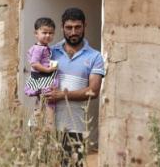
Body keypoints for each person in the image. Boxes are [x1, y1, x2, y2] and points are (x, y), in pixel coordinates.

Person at [44, 8, 105, 166]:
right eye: (69, 28)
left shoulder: (95, 56)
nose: (73, 32)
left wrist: (62, 95)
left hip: (76, 127)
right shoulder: (50, 52)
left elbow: (93, 91)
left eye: (77, 27)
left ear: (85, 26)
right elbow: (37, 81)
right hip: (46, 126)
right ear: (62, 27)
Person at [24, 17, 58, 129]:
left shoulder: (44, 47)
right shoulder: (39, 49)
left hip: (43, 77)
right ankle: (49, 123)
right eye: (44, 33)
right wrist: (48, 70)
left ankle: (35, 122)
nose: (48, 35)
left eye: (51, 33)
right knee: (49, 100)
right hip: (42, 77)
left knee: (41, 100)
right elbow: (34, 63)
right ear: (36, 33)